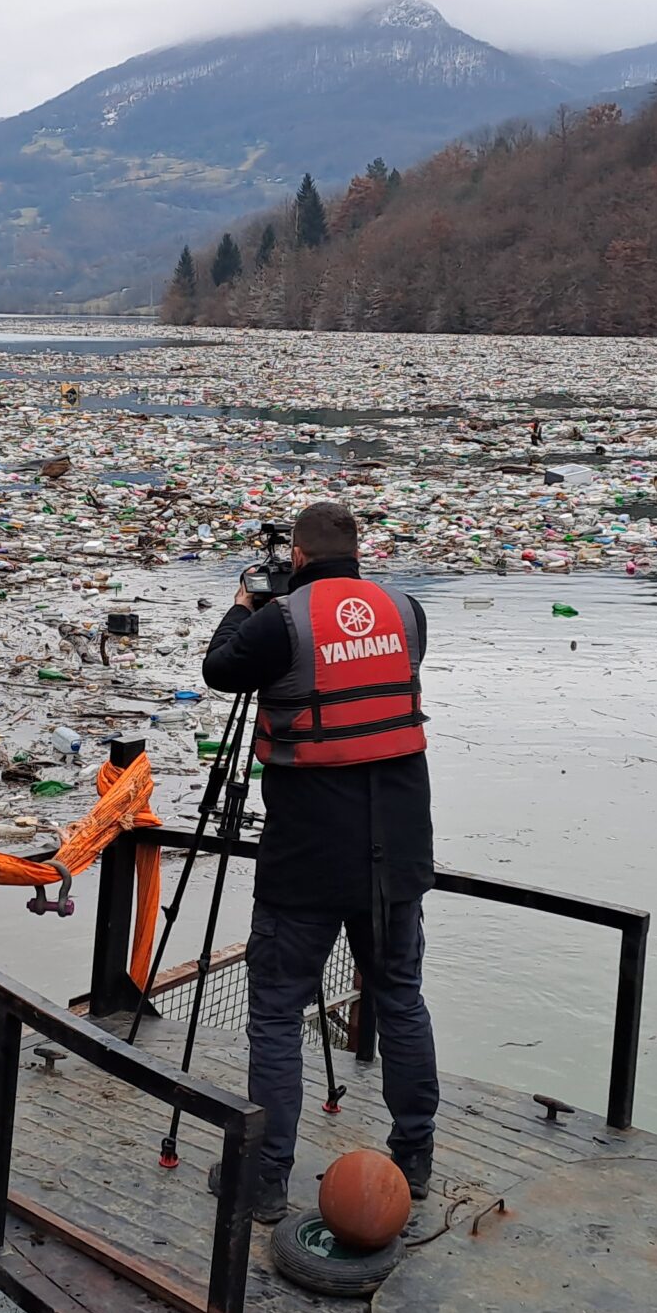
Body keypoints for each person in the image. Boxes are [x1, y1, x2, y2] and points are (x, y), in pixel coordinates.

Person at [201, 499, 438, 1223]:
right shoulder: (406, 613)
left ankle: (267, 1179)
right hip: (397, 849)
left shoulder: (282, 622)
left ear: (297, 557)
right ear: (357, 551)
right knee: (399, 995)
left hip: (305, 855)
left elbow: (220, 671)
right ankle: (415, 1160)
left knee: (275, 1014)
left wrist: (244, 604)